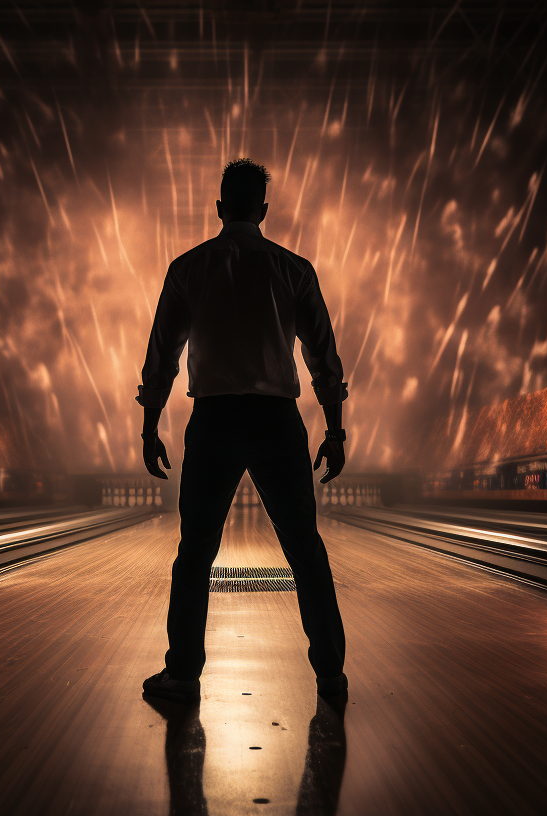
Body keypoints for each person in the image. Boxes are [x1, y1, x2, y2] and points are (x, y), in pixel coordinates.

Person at [137, 158, 349, 704]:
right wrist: (336, 431)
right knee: (305, 549)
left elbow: (161, 358)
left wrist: (149, 426)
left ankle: (182, 675)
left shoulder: (189, 268)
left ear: (218, 207)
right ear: (263, 210)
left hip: (213, 419)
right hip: (277, 420)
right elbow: (325, 360)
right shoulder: (293, 269)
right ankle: (330, 674)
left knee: (196, 552)